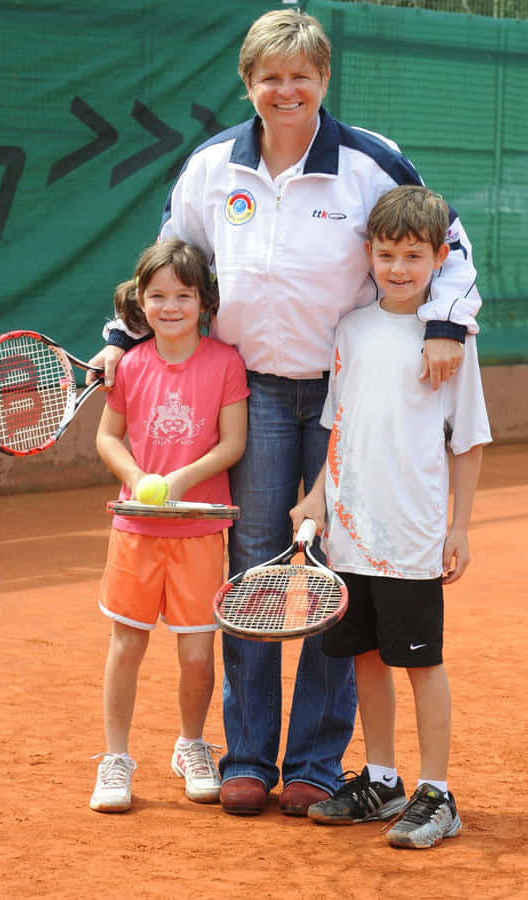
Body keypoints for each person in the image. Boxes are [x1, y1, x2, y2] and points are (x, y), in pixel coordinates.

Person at [88, 9, 481, 817]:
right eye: (270, 77)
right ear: (247, 84)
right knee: (254, 570)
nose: (286, 90)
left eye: (301, 75)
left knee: (336, 573)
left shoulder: (369, 161)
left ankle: (314, 762)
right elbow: (173, 264)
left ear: (324, 79)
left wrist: (445, 324)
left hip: (348, 396)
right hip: (255, 393)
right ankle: (248, 756)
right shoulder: (208, 169)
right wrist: (119, 340)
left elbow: (450, 246)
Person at [290, 185, 491, 848]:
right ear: (368, 256)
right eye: (385, 254)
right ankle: (381, 780)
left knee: (419, 663)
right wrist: (318, 497)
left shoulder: (449, 343)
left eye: (412, 255)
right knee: (365, 662)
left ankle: (437, 792)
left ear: (439, 258)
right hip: (348, 537)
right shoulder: (349, 329)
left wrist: (458, 527)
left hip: (410, 538)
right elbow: (337, 424)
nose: (398, 267)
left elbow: (467, 443)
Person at [90, 239, 249, 813]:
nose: (170, 306)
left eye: (183, 295)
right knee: (126, 645)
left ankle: (191, 745)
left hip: (199, 532)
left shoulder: (225, 362)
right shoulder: (128, 364)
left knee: (196, 658)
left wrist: (178, 482)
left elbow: (233, 443)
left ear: (204, 301)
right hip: (136, 531)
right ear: (139, 303)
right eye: (157, 296)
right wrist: (137, 478)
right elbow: (108, 436)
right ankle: (115, 758)